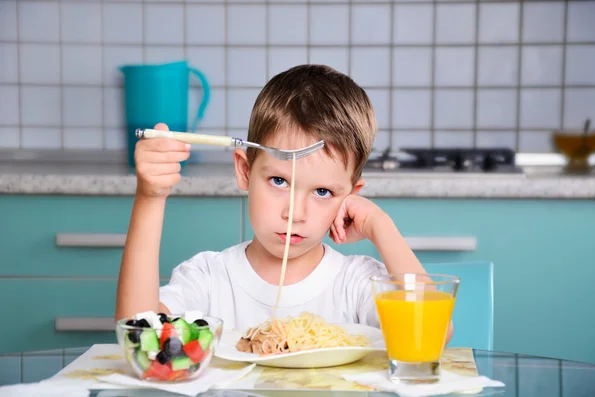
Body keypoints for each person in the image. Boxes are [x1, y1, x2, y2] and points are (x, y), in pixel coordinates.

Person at [115, 64, 453, 342]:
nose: (295, 213)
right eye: (279, 181)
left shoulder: (356, 283)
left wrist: (381, 226)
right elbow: (138, 333)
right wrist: (150, 197)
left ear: (350, 196)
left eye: (323, 192)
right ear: (245, 170)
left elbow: (430, 335)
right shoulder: (208, 278)